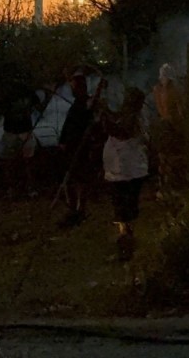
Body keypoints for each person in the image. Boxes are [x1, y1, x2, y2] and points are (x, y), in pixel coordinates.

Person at [101, 86, 149, 262]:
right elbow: (117, 118)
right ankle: (126, 236)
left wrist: (106, 120)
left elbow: (122, 132)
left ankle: (127, 241)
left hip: (128, 171)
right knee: (122, 205)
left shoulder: (136, 119)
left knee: (125, 205)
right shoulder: (127, 115)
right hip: (120, 170)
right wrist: (105, 110)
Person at [57, 73, 105, 227]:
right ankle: (73, 208)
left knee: (81, 178)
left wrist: (99, 89)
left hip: (81, 146)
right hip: (71, 147)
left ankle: (80, 208)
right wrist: (63, 140)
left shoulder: (86, 103)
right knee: (69, 179)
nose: (73, 89)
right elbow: (68, 124)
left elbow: (88, 115)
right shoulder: (76, 104)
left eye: (75, 87)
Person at [0, 79, 43, 197]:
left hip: (25, 131)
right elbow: (2, 109)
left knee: (28, 161)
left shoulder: (28, 92)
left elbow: (38, 105)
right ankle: (12, 188)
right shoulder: (7, 93)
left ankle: (30, 188)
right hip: (11, 131)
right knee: (10, 161)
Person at [151, 63, 185, 195]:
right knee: (170, 157)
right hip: (171, 126)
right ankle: (171, 186)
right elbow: (179, 109)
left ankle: (166, 186)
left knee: (165, 157)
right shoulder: (172, 90)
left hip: (165, 125)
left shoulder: (159, 90)